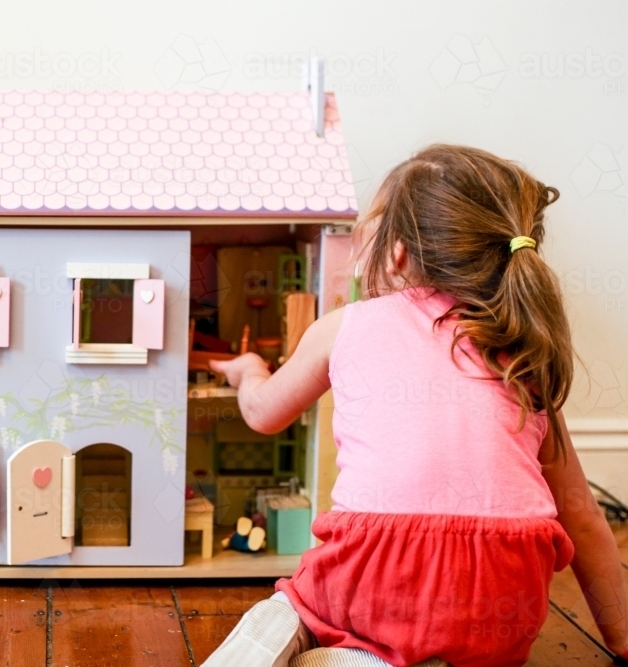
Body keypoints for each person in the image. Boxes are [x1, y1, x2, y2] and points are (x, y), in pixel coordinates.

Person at [205, 145, 628, 667]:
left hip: (375, 577)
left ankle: (354, 653)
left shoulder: (345, 325)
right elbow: (583, 519)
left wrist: (248, 369)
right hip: (503, 605)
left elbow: (263, 413)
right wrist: (622, 639)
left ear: (398, 252)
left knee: (290, 603)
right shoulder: (524, 352)